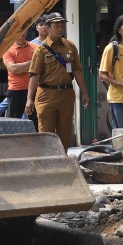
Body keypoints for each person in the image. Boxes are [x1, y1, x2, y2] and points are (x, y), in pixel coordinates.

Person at [26, 12, 84, 149]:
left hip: (66, 94)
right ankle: (48, 161)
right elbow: (34, 75)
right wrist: (29, 99)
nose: (60, 28)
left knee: (65, 131)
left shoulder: (70, 46)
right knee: (46, 132)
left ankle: (63, 160)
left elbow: (77, 71)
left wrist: (85, 93)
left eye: (61, 25)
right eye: (56, 26)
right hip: (46, 95)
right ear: (47, 28)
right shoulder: (40, 50)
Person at [0, 28, 36, 119]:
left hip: (35, 88)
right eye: (19, 30)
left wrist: (21, 67)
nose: (22, 33)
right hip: (16, 90)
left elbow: (40, 67)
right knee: (13, 121)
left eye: (24, 30)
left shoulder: (35, 47)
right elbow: (13, 69)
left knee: (36, 121)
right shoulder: (8, 49)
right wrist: (32, 63)